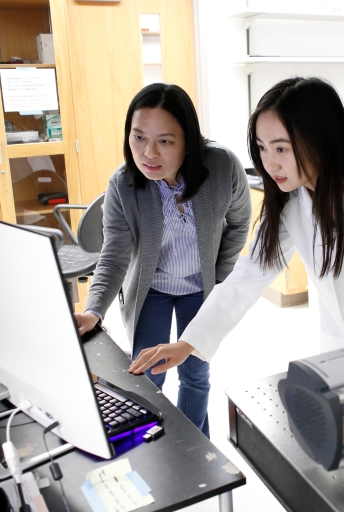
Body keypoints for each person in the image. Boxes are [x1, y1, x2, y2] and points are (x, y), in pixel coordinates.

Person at [129, 76, 344, 382]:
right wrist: (188, 343)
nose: (270, 163)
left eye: (281, 148)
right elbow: (248, 275)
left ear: (320, 139)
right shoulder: (292, 200)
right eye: (262, 148)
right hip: (339, 353)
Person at [74, 83, 252, 437]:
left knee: (196, 373)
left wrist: (217, 281)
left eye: (165, 141)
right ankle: (155, 448)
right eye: (138, 137)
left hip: (199, 287)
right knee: (148, 373)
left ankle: (194, 450)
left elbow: (239, 223)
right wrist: (94, 310)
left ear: (189, 141)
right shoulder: (123, 185)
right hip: (150, 288)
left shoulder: (221, 167)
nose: (148, 153)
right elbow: (114, 254)